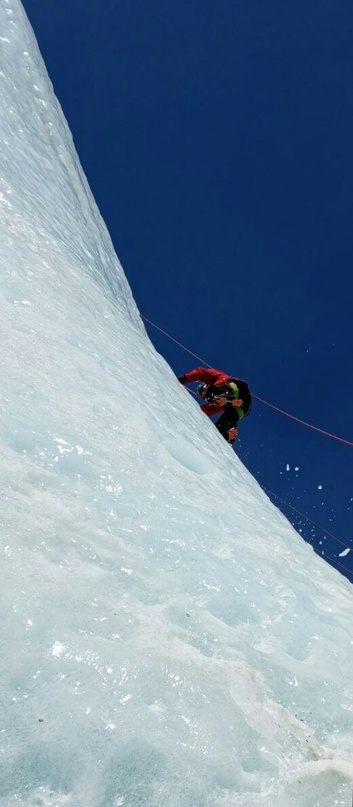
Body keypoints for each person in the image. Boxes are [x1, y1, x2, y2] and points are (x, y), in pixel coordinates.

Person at [178, 366, 251, 444]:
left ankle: (228, 397)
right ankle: (228, 434)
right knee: (220, 427)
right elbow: (205, 411)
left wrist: (183, 379)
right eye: (202, 396)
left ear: (205, 385)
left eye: (203, 391)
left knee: (215, 393)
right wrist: (192, 413)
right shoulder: (218, 402)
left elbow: (200, 372)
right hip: (242, 409)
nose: (204, 394)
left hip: (236, 388)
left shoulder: (214, 380)